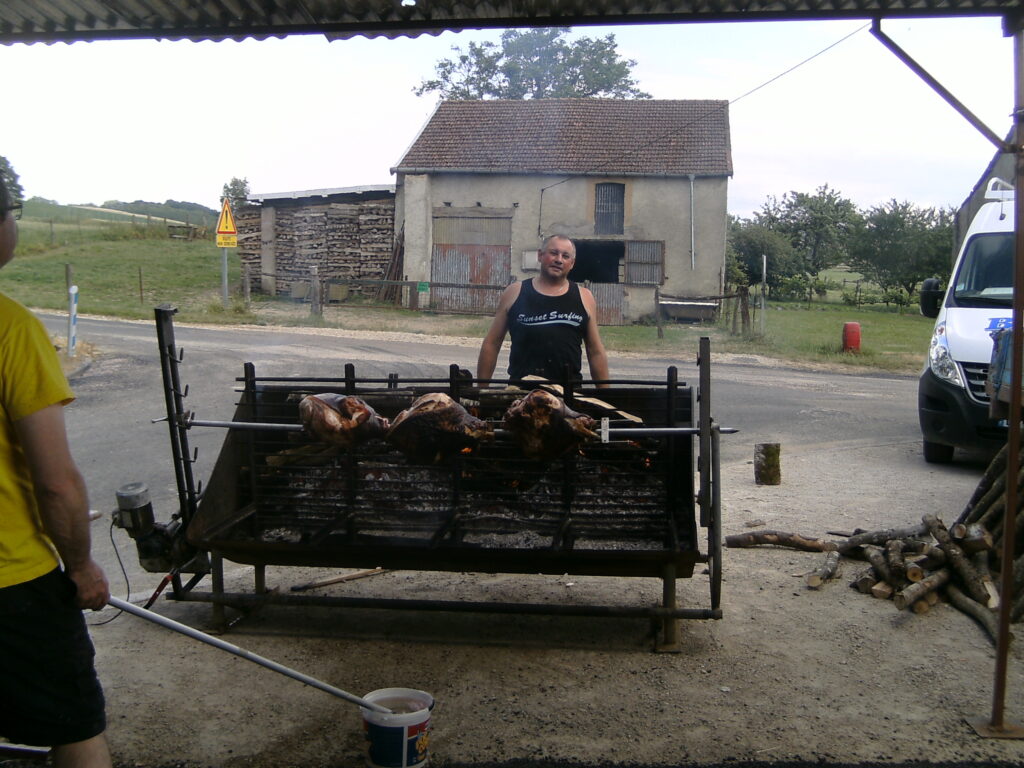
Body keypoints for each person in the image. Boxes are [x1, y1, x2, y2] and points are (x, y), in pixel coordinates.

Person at [0, 181, 112, 768]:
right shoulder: (9, 328)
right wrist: (80, 563)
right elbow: (55, 483)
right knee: (76, 728)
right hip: (11, 584)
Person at [477, 234, 610, 387]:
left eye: (565, 256)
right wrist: (482, 390)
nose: (559, 259)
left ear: (572, 263)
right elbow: (492, 344)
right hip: (520, 393)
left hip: (568, 395)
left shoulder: (585, 297)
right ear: (540, 255)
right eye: (553, 253)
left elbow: (595, 351)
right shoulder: (514, 292)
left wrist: (605, 395)